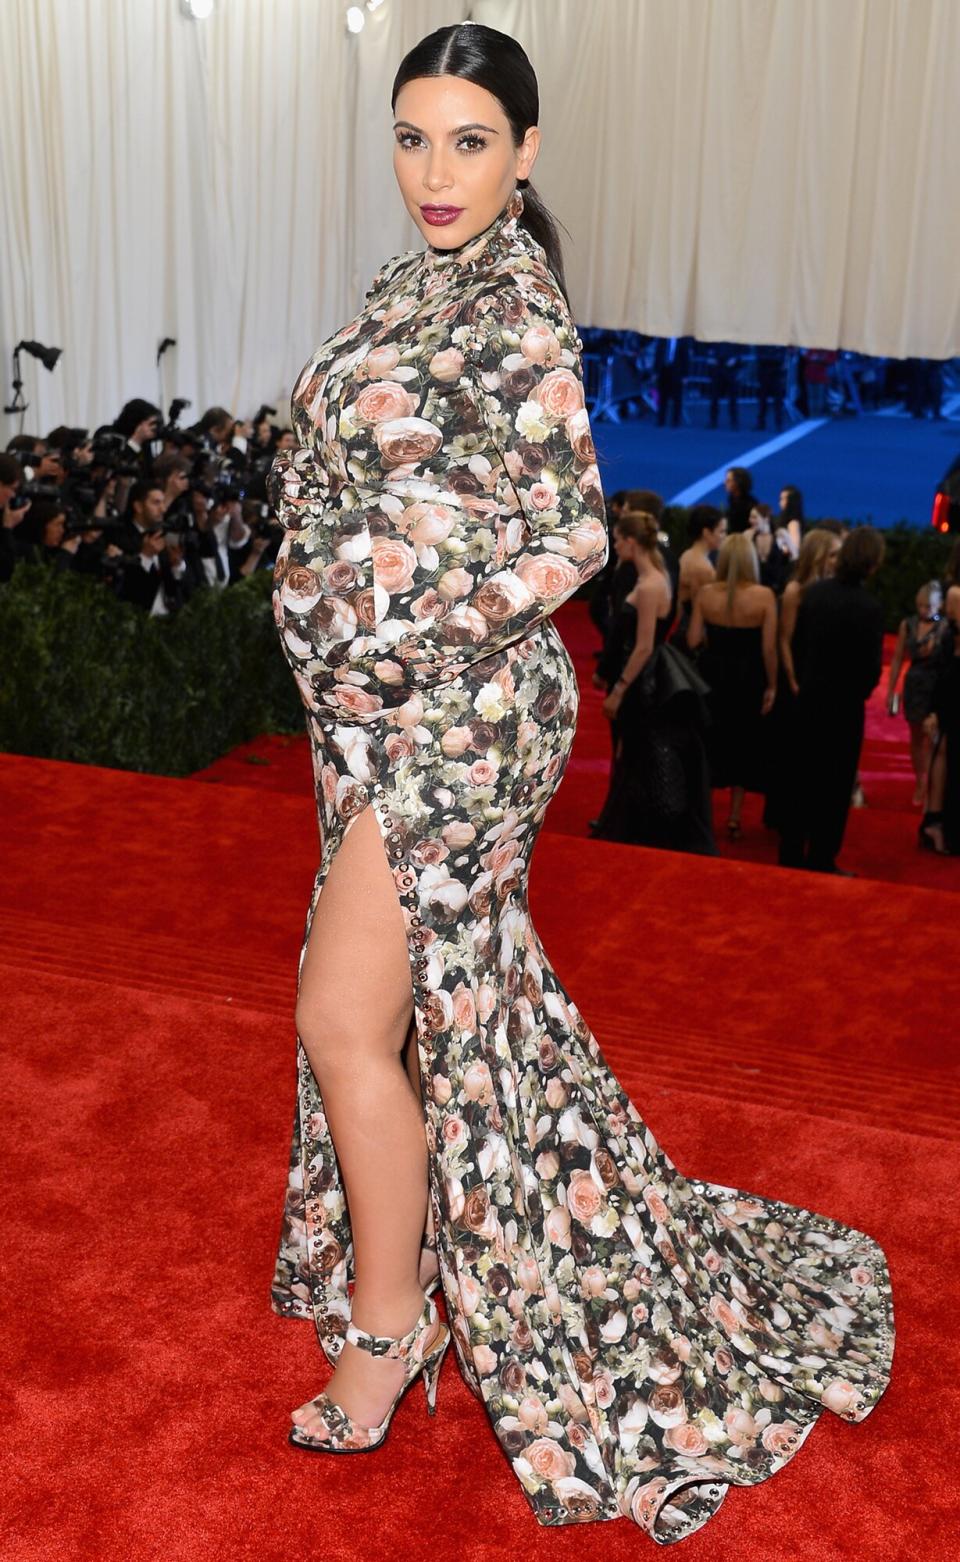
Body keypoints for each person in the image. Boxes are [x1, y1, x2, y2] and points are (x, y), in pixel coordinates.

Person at [266, 22, 893, 1542]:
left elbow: (569, 540)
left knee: (346, 1013)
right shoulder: (423, 284)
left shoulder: (516, 308)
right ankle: (419, 1282)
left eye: (469, 141)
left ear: (525, 153)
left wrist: (395, 635)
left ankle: (388, 1323)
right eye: (414, 136)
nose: (435, 169)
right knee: (455, 1015)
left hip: (461, 722)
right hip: (394, 717)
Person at [592, 511, 715, 854]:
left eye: (617, 540)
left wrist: (618, 690)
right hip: (652, 677)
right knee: (638, 754)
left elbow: (644, 645)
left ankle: (642, 832)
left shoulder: (648, 586)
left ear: (631, 543)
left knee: (639, 753)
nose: (615, 546)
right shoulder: (660, 576)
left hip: (642, 683)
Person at [777, 527, 886, 873]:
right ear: (871, 564)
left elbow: (799, 644)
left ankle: (791, 851)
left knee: (799, 774)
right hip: (845, 707)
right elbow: (871, 669)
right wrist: (858, 692)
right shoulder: (870, 607)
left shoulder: (815, 595)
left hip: (809, 698)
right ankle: (822, 856)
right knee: (835, 783)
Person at [688, 533, 777, 838]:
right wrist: (772, 686)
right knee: (744, 743)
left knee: (712, 742)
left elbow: (693, 640)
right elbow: (768, 650)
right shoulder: (765, 596)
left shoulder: (706, 593)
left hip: (713, 676)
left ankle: (706, 813)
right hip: (749, 678)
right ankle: (735, 816)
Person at [886, 582, 948, 807]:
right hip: (914, 684)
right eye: (920, 606)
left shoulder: (945, 628)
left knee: (932, 737)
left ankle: (932, 784)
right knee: (915, 737)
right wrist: (892, 689)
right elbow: (897, 659)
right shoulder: (908, 624)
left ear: (939, 605)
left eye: (929, 607)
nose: (924, 611)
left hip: (935, 686)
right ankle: (920, 780)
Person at [722, 465, 756, 533]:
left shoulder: (751, 506)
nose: (724, 482)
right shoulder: (731, 503)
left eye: (728, 480)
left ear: (738, 482)